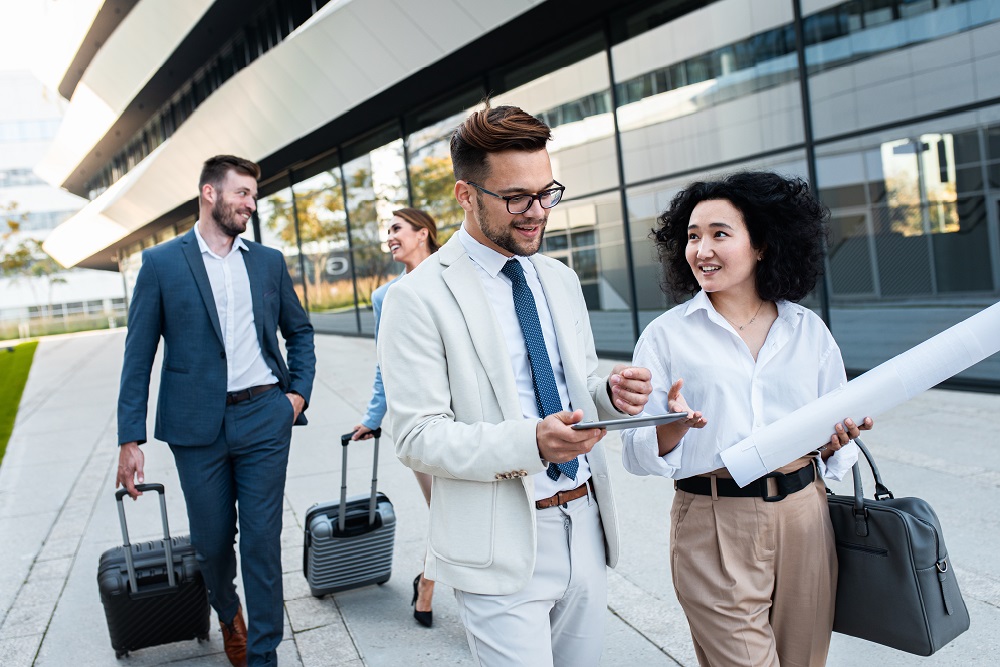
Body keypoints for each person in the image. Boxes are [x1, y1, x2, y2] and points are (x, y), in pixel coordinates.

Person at [377, 100, 653, 666]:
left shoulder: (560, 277)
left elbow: (578, 387)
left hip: (585, 524)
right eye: (516, 198)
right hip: (498, 544)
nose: (537, 212)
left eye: (547, 193)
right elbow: (417, 437)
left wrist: (609, 395)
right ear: (466, 194)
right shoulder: (416, 297)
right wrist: (533, 442)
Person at [621, 170, 873, 667]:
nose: (702, 250)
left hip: (805, 514)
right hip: (714, 520)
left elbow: (833, 428)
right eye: (693, 236)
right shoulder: (666, 337)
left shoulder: (808, 330)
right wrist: (675, 424)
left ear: (762, 244)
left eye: (720, 234)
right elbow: (637, 453)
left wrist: (837, 441)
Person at [116, 155, 316, 667]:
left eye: (254, 195)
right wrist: (129, 438)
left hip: (264, 416)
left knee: (261, 541)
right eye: (242, 193)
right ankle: (229, 613)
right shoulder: (162, 263)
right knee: (211, 544)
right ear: (210, 193)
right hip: (195, 428)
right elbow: (138, 355)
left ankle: (264, 654)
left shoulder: (267, 261)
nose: (251, 204)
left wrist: (296, 396)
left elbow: (299, 331)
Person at [350, 207, 440, 627]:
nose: (390, 236)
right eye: (387, 230)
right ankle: (429, 584)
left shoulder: (454, 277)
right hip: (418, 419)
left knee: (458, 510)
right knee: (444, 508)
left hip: (468, 414)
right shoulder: (385, 296)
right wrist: (373, 417)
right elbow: (385, 363)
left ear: (423, 233)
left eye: (397, 228)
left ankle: (428, 583)